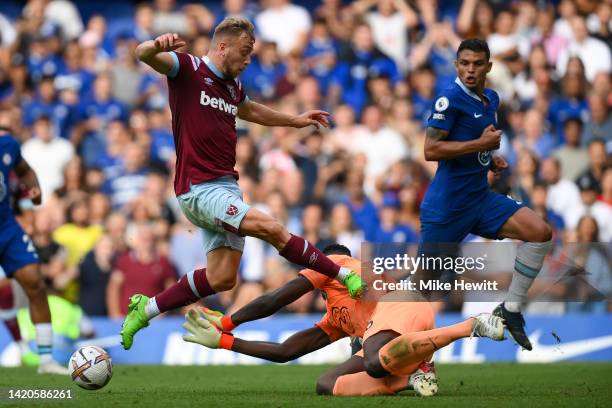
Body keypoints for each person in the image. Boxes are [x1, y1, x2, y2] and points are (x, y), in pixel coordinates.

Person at [121, 18, 365, 350]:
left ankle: (145, 308)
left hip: (225, 187)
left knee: (221, 278)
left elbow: (251, 110)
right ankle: (341, 275)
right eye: (246, 51)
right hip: (199, 188)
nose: (249, 60)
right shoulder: (188, 68)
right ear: (223, 46)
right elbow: (143, 54)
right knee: (271, 226)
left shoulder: (233, 88)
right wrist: (154, 46)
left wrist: (294, 121)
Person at [181, 244, 505, 396]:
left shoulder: (334, 263)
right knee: (326, 385)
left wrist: (229, 321)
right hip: (394, 333)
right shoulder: (337, 318)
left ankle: (469, 325)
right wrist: (226, 343)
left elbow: (276, 298)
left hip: (402, 305)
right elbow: (285, 352)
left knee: (374, 362)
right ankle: (414, 378)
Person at [421, 39, 553, 350]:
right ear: (456, 66)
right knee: (421, 285)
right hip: (447, 208)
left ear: (489, 67)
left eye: (477, 64)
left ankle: (511, 309)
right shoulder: (448, 99)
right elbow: (431, 149)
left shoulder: (490, 99)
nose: (470, 70)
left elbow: (475, 141)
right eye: (465, 63)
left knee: (540, 232)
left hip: (480, 198)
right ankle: (369, 326)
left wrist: (489, 160)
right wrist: (480, 147)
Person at [0, 115, 68, 374]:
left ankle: (46, 360)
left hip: (7, 227)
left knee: (35, 283)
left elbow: (25, 172)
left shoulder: (8, 146)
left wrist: (34, 191)